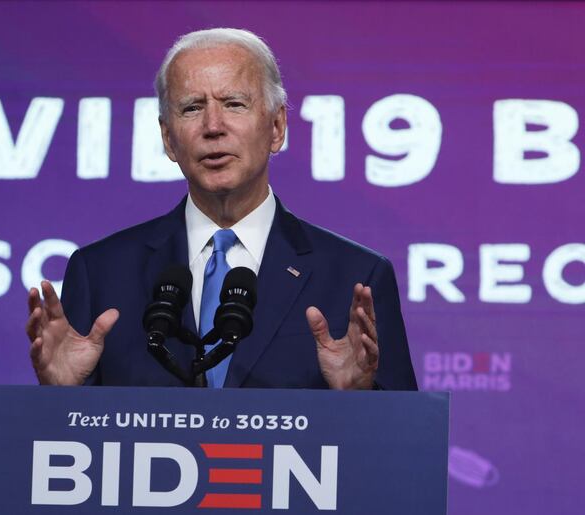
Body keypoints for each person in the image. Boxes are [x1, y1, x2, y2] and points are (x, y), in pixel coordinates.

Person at [26, 28, 417, 390]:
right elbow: (64, 448)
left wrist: (361, 398)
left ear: (277, 127)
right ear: (168, 138)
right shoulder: (101, 273)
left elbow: (402, 444)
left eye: (234, 104)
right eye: (192, 108)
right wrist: (61, 396)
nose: (213, 126)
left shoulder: (355, 277)